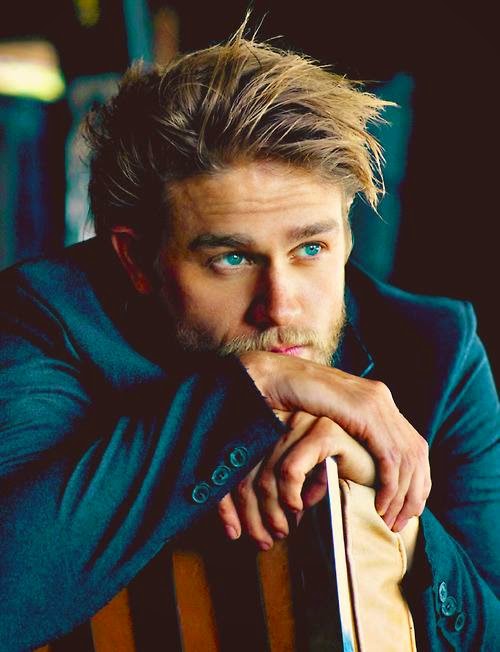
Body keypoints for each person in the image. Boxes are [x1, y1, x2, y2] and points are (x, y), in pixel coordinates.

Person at [0, 21, 498, 652]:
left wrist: (389, 514)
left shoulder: (439, 351)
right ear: (136, 259)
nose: (279, 306)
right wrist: (252, 388)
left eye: (311, 248)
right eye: (232, 259)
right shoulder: (46, 316)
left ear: (347, 234)